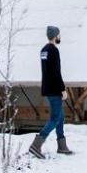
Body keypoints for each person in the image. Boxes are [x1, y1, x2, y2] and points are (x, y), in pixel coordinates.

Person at [29, 25, 74, 158]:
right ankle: (36, 145)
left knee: (60, 117)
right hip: (54, 89)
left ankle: (62, 146)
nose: (60, 36)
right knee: (55, 118)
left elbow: (47, 71)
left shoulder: (44, 50)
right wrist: (62, 89)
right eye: (59, 34)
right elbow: (55, 72)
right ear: (56, 36)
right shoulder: (54, 50)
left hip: (47, 88)